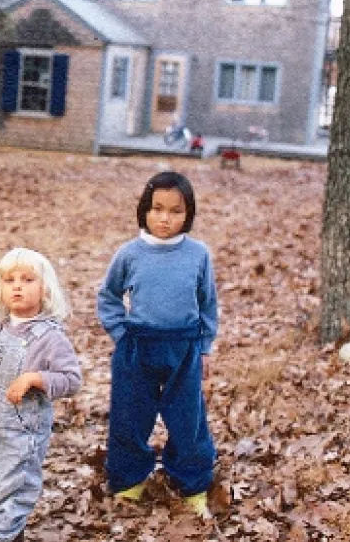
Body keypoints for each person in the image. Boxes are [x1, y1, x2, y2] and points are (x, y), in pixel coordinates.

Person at [96, 171, 218, 520]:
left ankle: (192, 483)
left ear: (188, 214)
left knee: (188, 418)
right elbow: (108, 296)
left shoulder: (198, 255)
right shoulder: (129, 254)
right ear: (144, 210)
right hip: (137, 346)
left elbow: (208, 303)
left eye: (176, 211)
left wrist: (204, 345)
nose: (165, 218)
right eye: (157, 209)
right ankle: (129, 480)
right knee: (130, 415)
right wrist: (121, 334)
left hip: (184, 347)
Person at [0, 248, 82, 542]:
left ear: (45, 289)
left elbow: (71, 379)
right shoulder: (2, 327)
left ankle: (8, 530)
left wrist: (35, 378)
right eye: (9, 280)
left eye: (27, 280)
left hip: (22, 426)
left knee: (15, 479)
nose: (17, 287)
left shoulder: (50, 337)